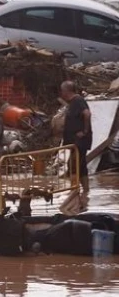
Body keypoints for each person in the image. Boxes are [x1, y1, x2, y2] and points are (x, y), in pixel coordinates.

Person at [61, 80, 92, 209]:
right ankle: (86, 191)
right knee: (82, 165)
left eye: (62, 90)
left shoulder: (78, 100)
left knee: (73, 165)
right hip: (75, 142)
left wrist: (84, 131)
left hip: (80, 141)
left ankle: (74, 192)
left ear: (66, 91)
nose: (61, 93)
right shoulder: (72, 103)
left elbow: (87, 114)